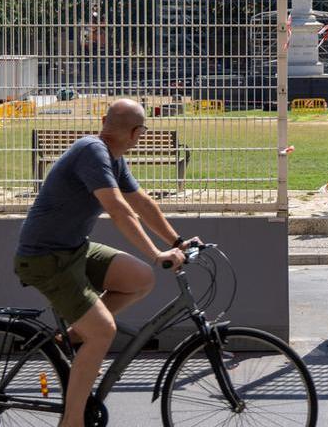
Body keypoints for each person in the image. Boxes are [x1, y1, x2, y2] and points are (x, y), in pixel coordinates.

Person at [13, 98, 197, 427]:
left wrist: (177, 242)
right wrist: (157, 255)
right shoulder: (92, 152)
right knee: (102, 332)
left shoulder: (110, 155)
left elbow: (140, 202)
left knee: (140, 278)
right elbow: (118, 210)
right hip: (45, 258)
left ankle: (72, 339)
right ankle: (72, 422)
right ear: (138, 133)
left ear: (105, 121)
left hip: (72, 250)